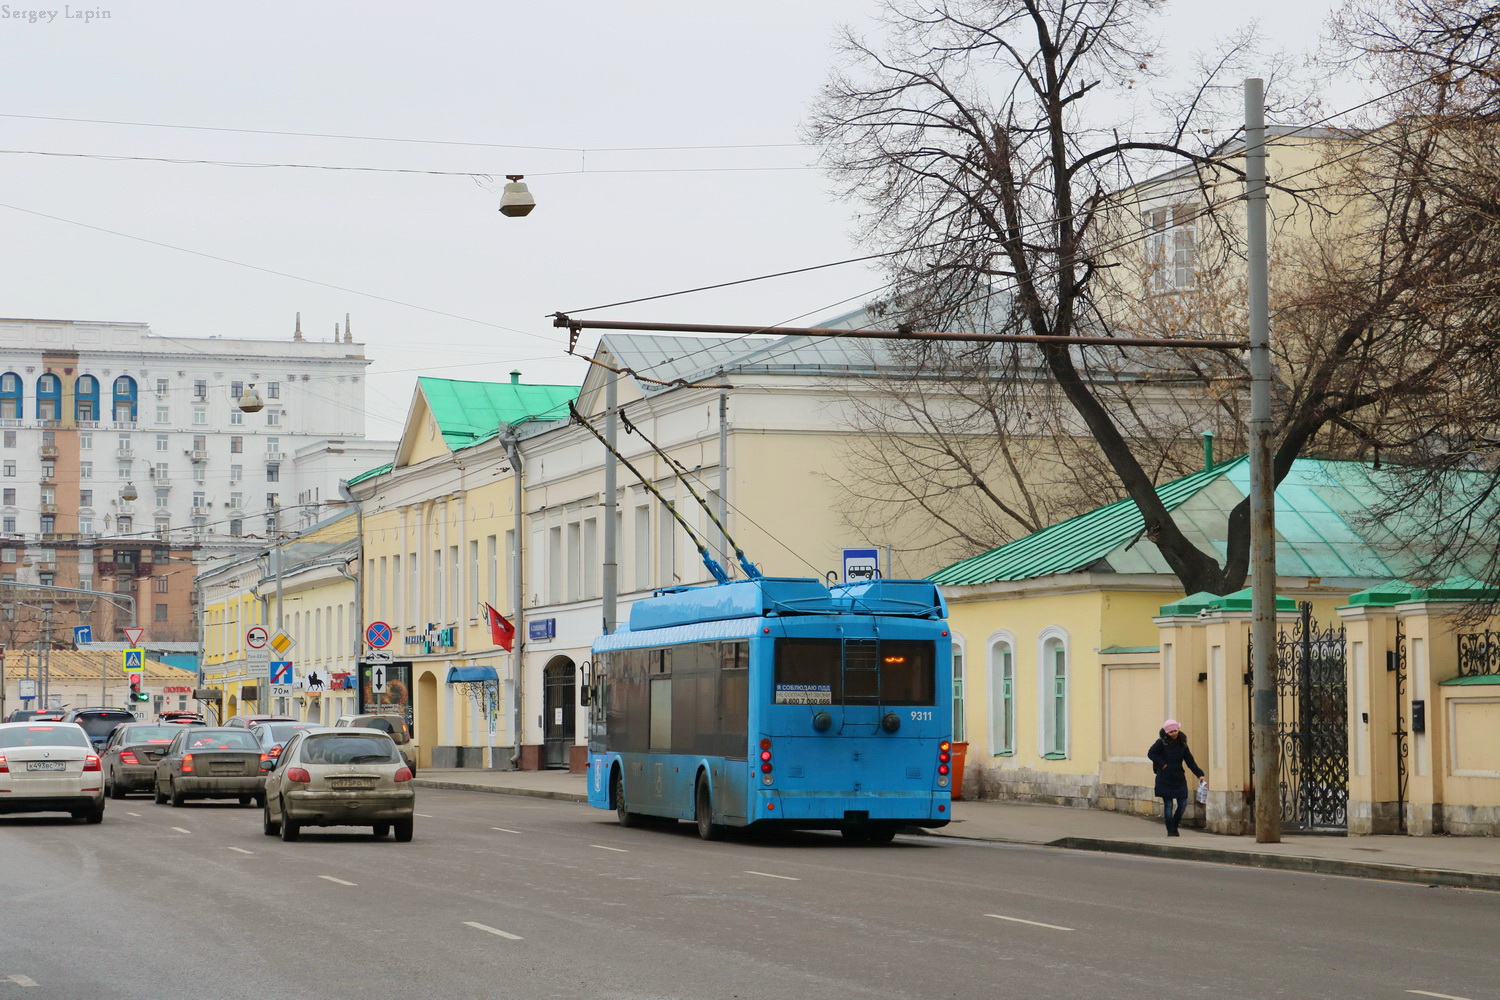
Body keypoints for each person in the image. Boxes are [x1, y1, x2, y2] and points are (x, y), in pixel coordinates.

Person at [1148, 719, 1205, 837]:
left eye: (1175, 731)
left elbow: (1190, 761)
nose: (1174, 734)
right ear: (1166, 732)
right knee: (1168, 805)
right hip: (1165, 778)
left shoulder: (1182, 743)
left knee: (1183, 803)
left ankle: (1174, 824)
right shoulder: (1161, 742)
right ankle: (1171, 830)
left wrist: (1199, 774)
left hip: (1179, 778)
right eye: (1171, 732)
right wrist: (1162, 764)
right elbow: (1151, 753)